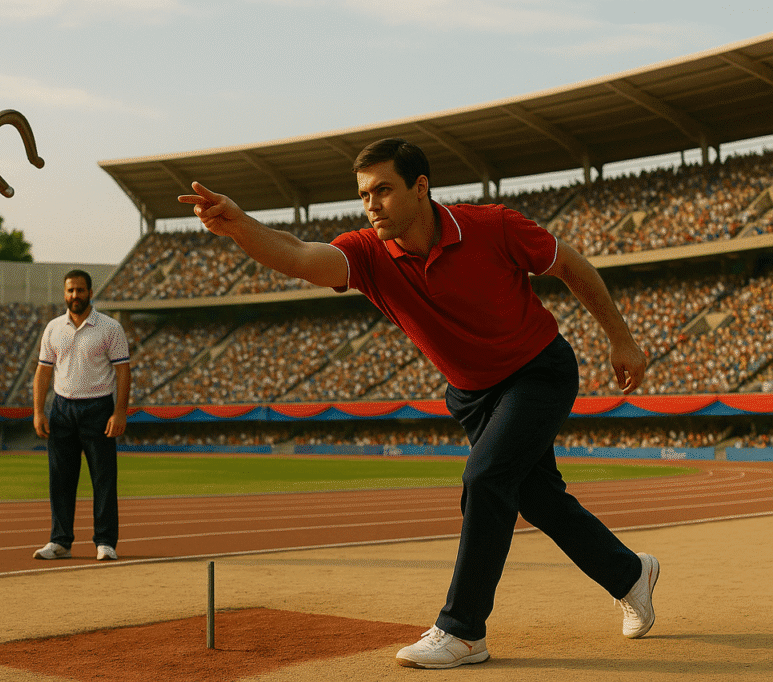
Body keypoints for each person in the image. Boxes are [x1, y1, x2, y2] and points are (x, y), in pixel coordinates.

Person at [178, 138, 658, 669]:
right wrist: (240, 224)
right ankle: (630, 575)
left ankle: (464, 631)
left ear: (421, 187)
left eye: (383, 190)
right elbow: (297, 256)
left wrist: (621, 338)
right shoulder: (366, 252)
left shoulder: (493, 224)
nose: (371, 204)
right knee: (538, 498)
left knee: (486, 477)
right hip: (473, 395)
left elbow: (571, 265)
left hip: (538, 372)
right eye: (364, 195)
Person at [32, 269, 131, 562]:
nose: (75, 295)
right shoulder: (53, 328)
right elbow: (43, 372)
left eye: (80, 290)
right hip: (62, 409)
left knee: (103, 478)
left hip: (98, 409)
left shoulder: (109, 328)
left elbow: (123, 372)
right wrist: (38, 411)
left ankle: (105, 542)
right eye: (70, 290)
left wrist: (120, 412)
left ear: (90, 291)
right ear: (65, 293)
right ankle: (60, 541)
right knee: (60, 479)